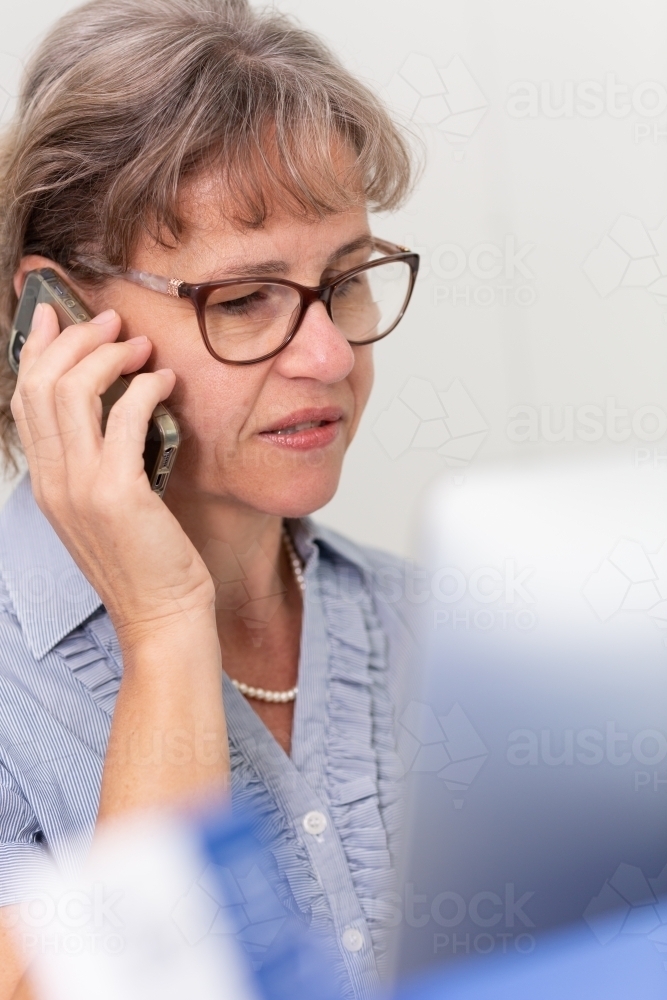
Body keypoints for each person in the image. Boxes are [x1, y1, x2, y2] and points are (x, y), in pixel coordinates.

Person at [0, 1, 421, 996]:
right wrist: (164, 626)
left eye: (347, 281)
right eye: (242, 300)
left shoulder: (447, 631)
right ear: (57, 319)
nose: (328, 356)